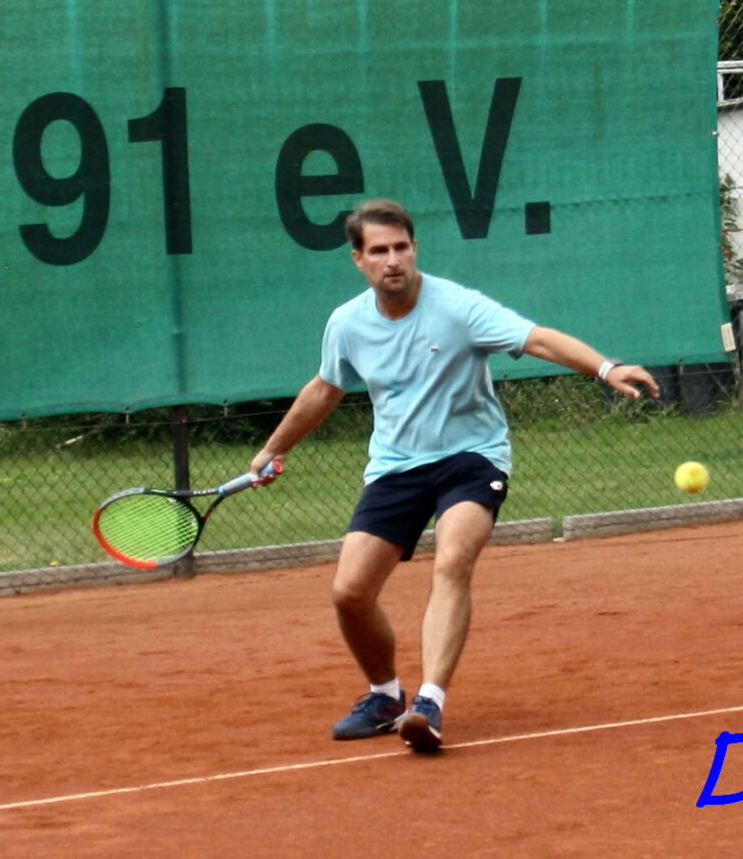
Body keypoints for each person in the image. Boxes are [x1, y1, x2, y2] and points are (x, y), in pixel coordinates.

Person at [249, 198, 659, 753]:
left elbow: (537, 338)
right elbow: (325, 389)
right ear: (358, 259)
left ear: (414, 248)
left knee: (453, 558)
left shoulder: (458, 308)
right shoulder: (347, 323)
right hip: (395, 466)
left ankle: (429, 703)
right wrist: (272, 449)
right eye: (379, 251)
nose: (393, 260)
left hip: (471, 458)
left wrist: (606, 368)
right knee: (349, 593)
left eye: (401, 247)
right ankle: (385, 697)